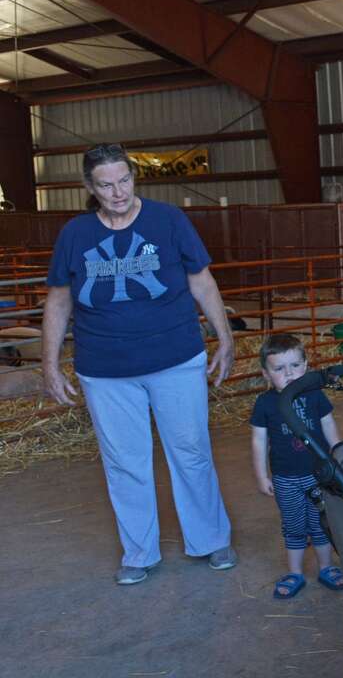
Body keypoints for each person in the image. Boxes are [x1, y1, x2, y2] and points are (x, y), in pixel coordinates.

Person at [43, 143, 237, 585]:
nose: (118, 192)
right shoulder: (75, 234)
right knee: (123, 459)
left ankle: (210, 538)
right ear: (89, 187)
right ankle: (139, 552)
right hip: (104, 367)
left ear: (134, 177)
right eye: (106, 185)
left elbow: (200, 280)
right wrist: (50, 365)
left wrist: (225, 338)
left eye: (124, 180)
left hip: (176, 357)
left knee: (190, 450)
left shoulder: (168, 220)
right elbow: (59, 299)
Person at [250, 333, 343, 599]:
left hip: (320, 474)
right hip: (285, 478)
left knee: (321, 522)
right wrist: (261, 475)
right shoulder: (265, 403)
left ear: (305, 366)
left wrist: (340, 457)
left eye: (294, 366)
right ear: (266, 374)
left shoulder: (315, 395)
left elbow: (329, 427)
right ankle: (295, 572)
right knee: (293, 525)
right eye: (279, 369)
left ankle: (326, 567)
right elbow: (259, 441)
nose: (289, 374)